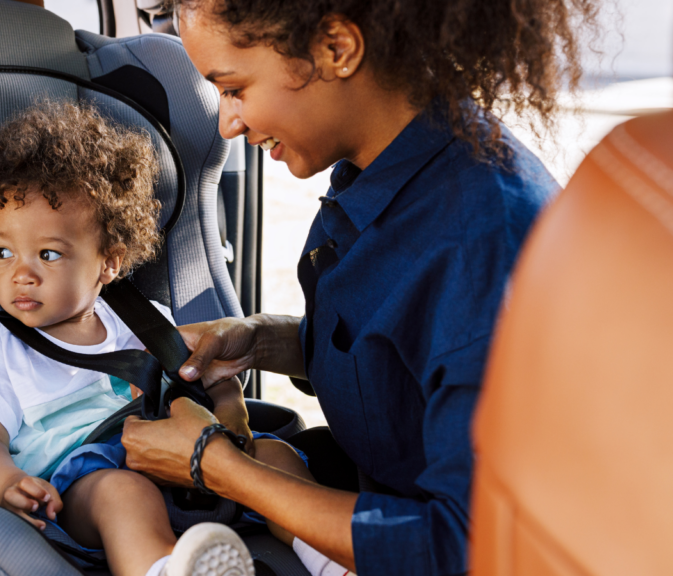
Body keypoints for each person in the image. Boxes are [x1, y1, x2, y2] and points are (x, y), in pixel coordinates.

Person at [120, 1, 598, 575]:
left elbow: (467, 547)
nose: (228, 123)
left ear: (336, 49)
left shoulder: (482, 244)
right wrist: (262, 340)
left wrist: (214, 464)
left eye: (234, 88)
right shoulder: (379, 169)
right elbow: (401, 362)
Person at [0, 100, 312, 576]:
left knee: (275, 456)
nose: (22, 274)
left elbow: (210, 375)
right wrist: (7, 483)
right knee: (126, 494)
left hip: (185, 455)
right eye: (3, 252)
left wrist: (231, 417)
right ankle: (164, 569)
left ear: (109, 262)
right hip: (82, 482)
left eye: (49, 255)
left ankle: (333, 561)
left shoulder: (145, 321)